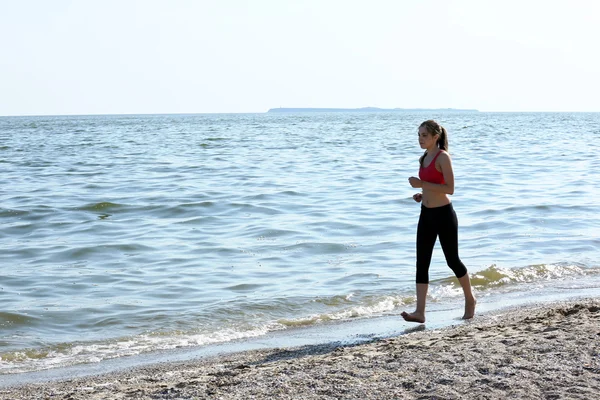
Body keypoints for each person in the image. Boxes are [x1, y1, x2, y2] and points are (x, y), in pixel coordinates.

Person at [401, 120, 476, 323]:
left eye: (424, 135)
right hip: (426, 214)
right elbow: (433, 186)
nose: (420, 139)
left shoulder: (443, 157)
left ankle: (470, 299)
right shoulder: (424, 158)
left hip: (444, 215)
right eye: (418, 135)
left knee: (452, 260)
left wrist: (422, 184)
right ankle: (420, 312)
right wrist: (422, 193)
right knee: (421, 263)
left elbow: (450, 188)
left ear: (436, 137)